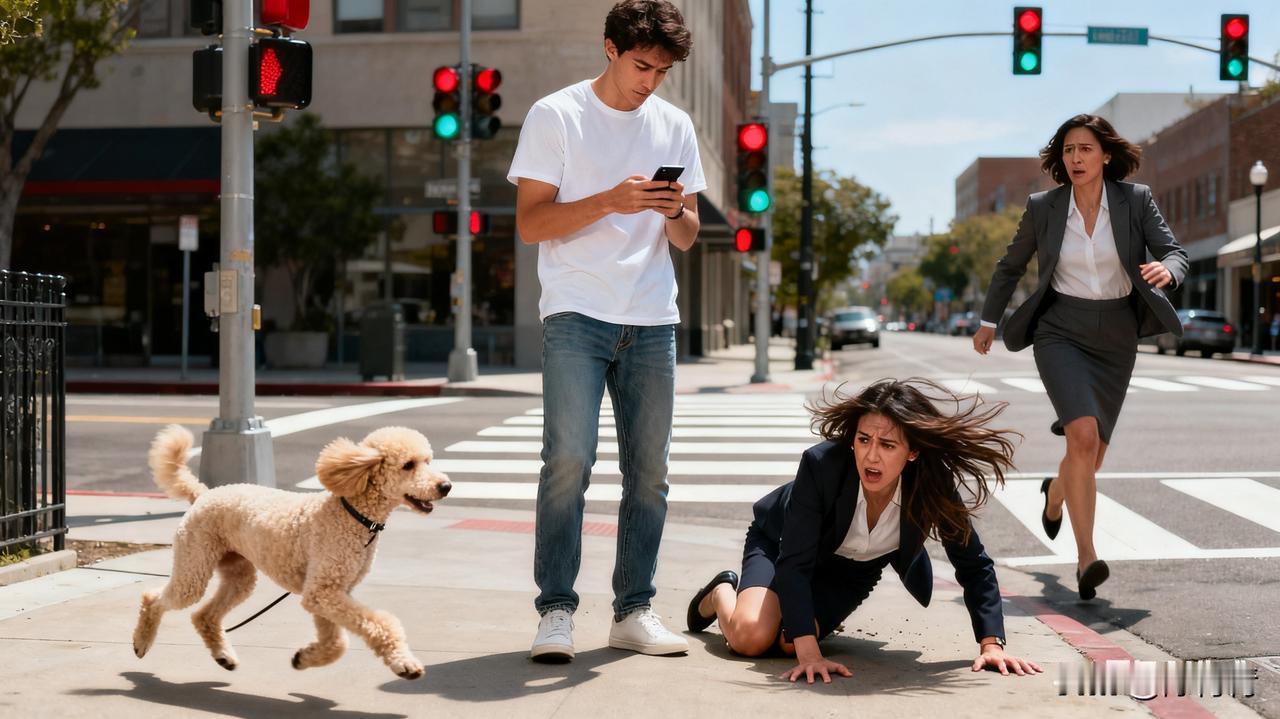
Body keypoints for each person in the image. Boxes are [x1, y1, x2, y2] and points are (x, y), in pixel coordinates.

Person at [506, 0, 705, 662]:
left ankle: (633, 610)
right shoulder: (556, 115)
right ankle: (556, 610)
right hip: (576, 313)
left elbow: (687, 234)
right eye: (641, 65)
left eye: (662, 71)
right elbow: (532, 224)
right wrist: (610, 202)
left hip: (651, 317)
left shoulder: (674, 125)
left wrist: (674, 209)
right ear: (610, 49)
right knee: (568, 461)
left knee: (649, 473)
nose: (649, 82)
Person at [687, 379, 1042, 684]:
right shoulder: (821, 465)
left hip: (854, 572)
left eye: (888, 445)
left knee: (786, 643)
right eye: (863, 440)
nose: (872, 456)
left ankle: (783, 621)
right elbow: (794, 563)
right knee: (752, 638)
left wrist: (991, 644)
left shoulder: (931, 484)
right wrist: (810, 654)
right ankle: (720, 592)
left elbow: (973, 563)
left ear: (913, 452)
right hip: (781, 546)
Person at [972, 114, 1188, 600]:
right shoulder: (1044, 207)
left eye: (1085, 149)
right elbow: (1011, 266)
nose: (1076, 159)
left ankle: (1054, 493)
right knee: (1083, 434)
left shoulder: (1135, 200)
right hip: (1060, 330)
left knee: (1091, 454)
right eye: (1068, 150)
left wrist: (1166, 272)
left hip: (1116, 335)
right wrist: (989, 321)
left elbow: (1175, 251)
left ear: (1106, 155)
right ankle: (1086, 556)